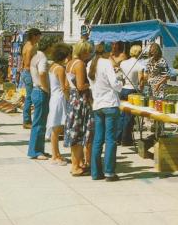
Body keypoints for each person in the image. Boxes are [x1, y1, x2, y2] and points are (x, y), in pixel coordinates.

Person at [88, 43, 123, 181]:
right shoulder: (106, 63)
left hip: (98, 104)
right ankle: (109, 172)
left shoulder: (91, 64)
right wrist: (120, 83)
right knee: (110, 140)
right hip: (110, 103)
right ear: (107, 52)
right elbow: (114, 83)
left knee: (98, 140)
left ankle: (96, 172)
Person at [64, 40, 94, 176]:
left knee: (74, 133)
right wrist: (93, 84)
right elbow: (81, 86)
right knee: (80, 134)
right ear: (84, 51)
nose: (90, 54)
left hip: (73, 100)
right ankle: (76, 166)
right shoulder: (80, 64)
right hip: (81, 101)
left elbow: (65, 85)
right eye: (88, 51)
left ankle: (77, 163)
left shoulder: (69, 63)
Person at [46, 43, 72, 166]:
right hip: (60, 99)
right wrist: (69, 99)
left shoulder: (52, 67)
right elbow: (64, 87)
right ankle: (55, 156)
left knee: (55, 128)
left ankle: (56, 154)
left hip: (54, 98)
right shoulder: (60, 69)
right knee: (56, 129)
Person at [27, 37, 53, 160]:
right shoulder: (43, 58)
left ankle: (39, 149)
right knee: (39, 123)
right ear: (49, 46)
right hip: (40, 91)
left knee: (40, 122)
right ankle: (35, 151)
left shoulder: (36, 56)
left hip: (36, 90)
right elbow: (42, 73)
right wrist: (46, 88)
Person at [117, 45, 144, 146]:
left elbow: (120, 76)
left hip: (123, 89)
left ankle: (118, 137)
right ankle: (126, 139)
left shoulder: (123, 63)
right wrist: (141, 90)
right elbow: (141, 80)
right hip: (133, 90)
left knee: (121, 115)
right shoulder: (139, 65)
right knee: (129, 116)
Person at [20, 28, 42, 129]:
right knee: (30, 98)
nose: (39, 38)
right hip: (29, 73)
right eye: (38, 36)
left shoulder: (27, 45)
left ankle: (27, 119)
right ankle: (27, 121)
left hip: (26, 73)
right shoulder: (30, 47)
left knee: (29, 97)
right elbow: (28, 63)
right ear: (34, 36)